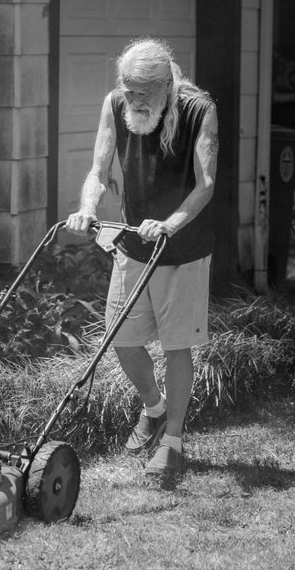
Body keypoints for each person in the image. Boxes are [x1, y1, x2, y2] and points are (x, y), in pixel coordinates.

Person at [66, 37, 218, 479]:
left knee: (176, 345)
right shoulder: (115, 105)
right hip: (133, 243)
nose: (132, 100)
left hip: (182, 249)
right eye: (127, 90)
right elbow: (98, 170)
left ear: (165, 86)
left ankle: (172, 440)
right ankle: (153, 407)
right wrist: (88, 208)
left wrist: (170, 223)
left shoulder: (198, 110)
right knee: (122, 338)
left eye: (141, 94)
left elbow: (206, 184)